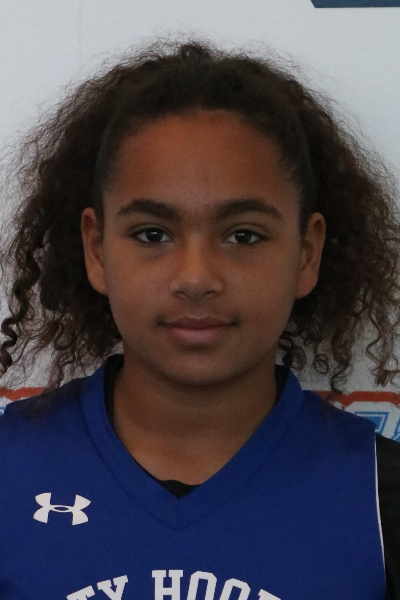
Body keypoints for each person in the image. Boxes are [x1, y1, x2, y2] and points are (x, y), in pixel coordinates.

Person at [0, 39, 399, 600]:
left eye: (243, 236)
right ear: (96, 249)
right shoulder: (10, 472)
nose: (195, 276)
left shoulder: (379, 498)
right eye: (152, 234)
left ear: (307, 254)